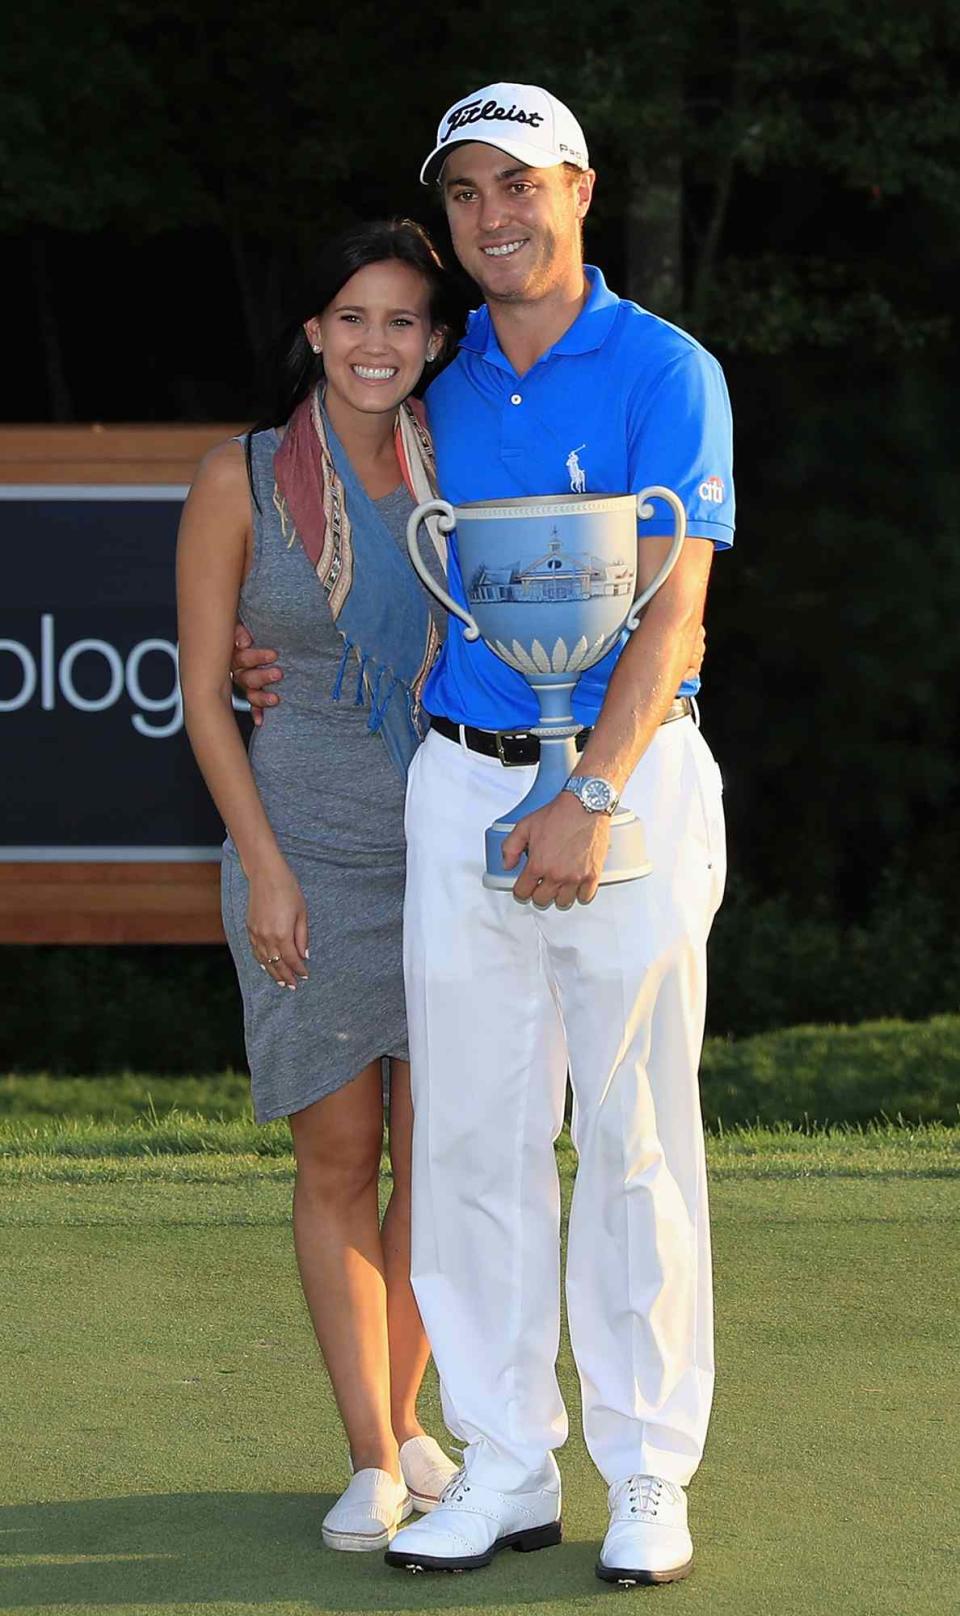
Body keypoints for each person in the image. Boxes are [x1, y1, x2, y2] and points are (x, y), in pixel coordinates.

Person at [235, 82, 732, 1588]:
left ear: (580, 188)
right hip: (455, 783)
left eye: (522, 184)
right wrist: (275, 657)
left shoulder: (665, 367)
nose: (495, 216)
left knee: (632, 1139)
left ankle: (646, 1471)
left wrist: (588, 792)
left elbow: (674, 602)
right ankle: (509, 1465)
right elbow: (350, 552)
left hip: (626, 785)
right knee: (466, 1142)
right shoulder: (436, 382)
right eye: (467, 194)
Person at [176, 219, 459, 1553]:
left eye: (403, 321)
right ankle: (369, 1454)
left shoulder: (463, 467)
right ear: (311, 331)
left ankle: (404, 1418)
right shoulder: (238, 477)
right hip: (302, 855)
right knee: (342, 1159)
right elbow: (201, 694)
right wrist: (269, 873)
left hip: (451, 854)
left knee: (438, 1162)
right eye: (352, 316)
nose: (375, 343)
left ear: (437, 343)